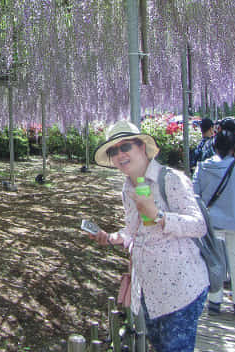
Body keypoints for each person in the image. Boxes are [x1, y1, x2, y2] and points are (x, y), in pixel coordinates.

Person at [90, 120, 208, 352]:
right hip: (149, 293)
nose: (120, 154)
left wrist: (159, 215)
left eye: (126, 147)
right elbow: (133, 232)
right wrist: (110, 237)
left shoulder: (170, 179)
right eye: (114, 151)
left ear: (142, 147)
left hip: (181, 290)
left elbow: (199, 225)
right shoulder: (127, 188)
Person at [193, 130, 235, 321]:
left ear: (214, 147)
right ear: (233, 148)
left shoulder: (202, 167)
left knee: (214, 263)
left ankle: (214, 302)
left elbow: (194, 195)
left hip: (212, 223)